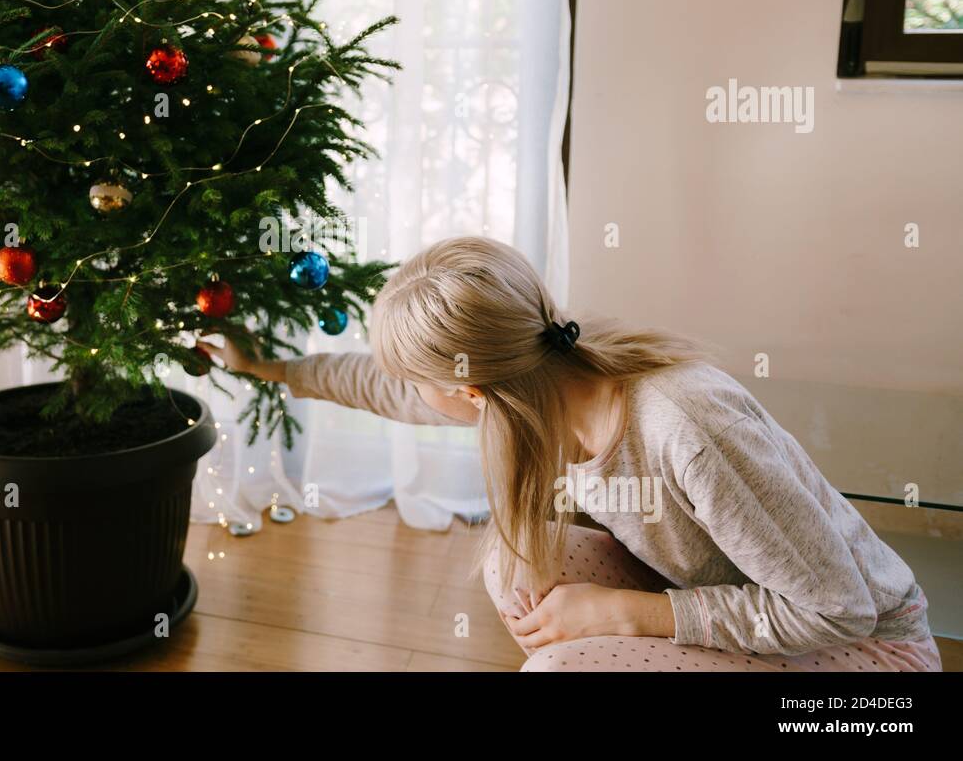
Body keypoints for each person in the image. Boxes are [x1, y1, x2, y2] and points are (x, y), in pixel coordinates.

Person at [197, 236, 942, 672]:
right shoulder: (533, 385)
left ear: (470, 391)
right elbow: (375, 385)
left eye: (420, 383)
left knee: (562, 664)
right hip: (745, 605)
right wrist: (265, 369)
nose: (410, 396)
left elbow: (838, 612)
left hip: (873, 665)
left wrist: (628, 614)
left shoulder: (684, 427)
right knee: (516, 563)